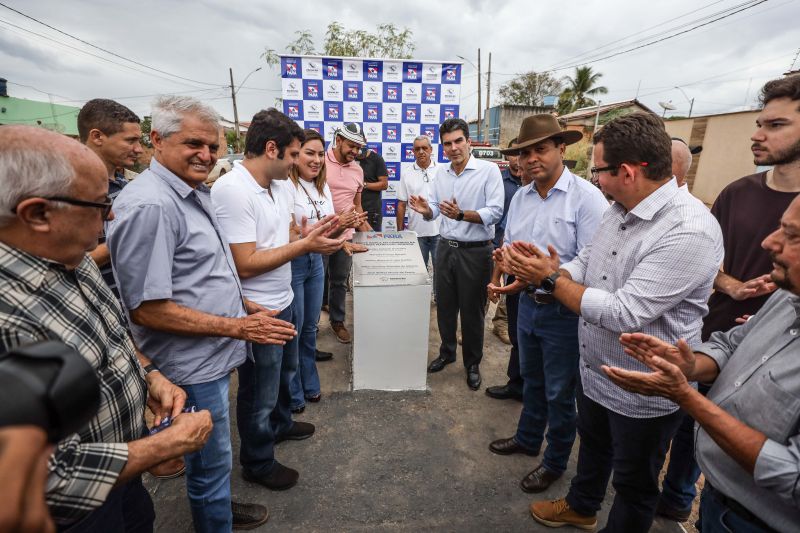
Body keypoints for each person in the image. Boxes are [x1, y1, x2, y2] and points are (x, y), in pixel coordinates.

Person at [502, 112, 723, 532]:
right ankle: (582, 507)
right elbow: (587, 261)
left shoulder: (688, 230)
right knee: (594, 454)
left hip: (644, 390)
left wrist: (547, 279)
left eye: (598, 170)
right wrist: (558, 270)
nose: (594, 178)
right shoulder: (620, 208)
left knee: (634, 484)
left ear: (626, 171)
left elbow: (625, 312)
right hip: (599, 372)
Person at [0, 125, 212, 531]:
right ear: (38, 213)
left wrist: (149, 376)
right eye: (98, 204)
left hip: (124, 485)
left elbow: (111, 338)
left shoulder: (73, 257)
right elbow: (43, 478)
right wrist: (164, 445)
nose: (111, 214)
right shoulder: (7, 314)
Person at [108, 96, 286, 532]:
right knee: (209, 463)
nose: (206, 155)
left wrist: (242, 304)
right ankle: (215, 516)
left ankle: (219, 509)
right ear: (157, 140)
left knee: (215, 456)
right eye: (194, 144)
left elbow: (198, 274)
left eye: (213, 145)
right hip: (189, 366)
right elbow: (147, 309)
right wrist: (239, 325)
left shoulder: (188, 191)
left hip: (210, 355)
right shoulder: (151, 204)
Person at [603, 194, 800, 533]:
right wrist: (690, 365)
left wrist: (687, 397)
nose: (770, 241)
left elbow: (792, 476)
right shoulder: (787, 296)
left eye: (792, 235)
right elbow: (732, 343)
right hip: (719, 501)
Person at [657, 75, 800, 522]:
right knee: (689, 437)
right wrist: (733, 287)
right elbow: (707, 264)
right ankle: (677, 507)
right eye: (758, 123)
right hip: (719, 343)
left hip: (780, 374)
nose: (757, 134)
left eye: (775, 125)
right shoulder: (737, 194)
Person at [211, 110, 345, 492]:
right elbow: (246, 264)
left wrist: (310, 231)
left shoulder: (281, 185)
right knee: (258, 391)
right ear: (271, 149)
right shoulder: (232, 191)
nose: (297, 163)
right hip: (258, 309)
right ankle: (258, 460)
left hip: (283, 298)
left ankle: (282, 424)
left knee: (285, 374)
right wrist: (305, 244)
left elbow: (285, 234)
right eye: (292, 155)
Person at [488, 115, 608, 494]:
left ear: (561, 149)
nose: (531, 158)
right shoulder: (521, 197)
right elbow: (512, 249)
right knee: (531, 379)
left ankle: (554, 461)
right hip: (527, 305)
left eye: (541, 149)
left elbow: (594, 261)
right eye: (525, 152)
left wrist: (553, 274)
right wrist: (507, 272)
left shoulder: (587, 198)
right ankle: (527, 438)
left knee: (560, 392)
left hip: (563, 311)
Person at [409, 118, 504, 390]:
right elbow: (438, 210)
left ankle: (472, 363)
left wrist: (462, 215)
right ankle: (447, 352)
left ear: (469, 141)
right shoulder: (442, 174)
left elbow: (495, 212)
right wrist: (427, 210)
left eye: (458, 141)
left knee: (473, 312)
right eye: (447, 143)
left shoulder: (488, 171)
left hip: (476, 252)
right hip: (445, 248)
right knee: (445, 307)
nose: (453, 148)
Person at [287, 129, 364, 413]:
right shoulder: (285, 186)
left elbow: (329, 228)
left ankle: (309, 378)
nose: (317, 159)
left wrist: (343, 237)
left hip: (315, 263)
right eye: (309, 153)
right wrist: (309, 237)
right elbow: (288, 234)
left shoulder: (322, 188)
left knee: (309, 327)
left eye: (320, 154)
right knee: (294, 330)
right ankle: (293, 388)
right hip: (294, 263)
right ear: (295, 155)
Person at [77, 98, 144, 301]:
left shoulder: (128, 182)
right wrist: (130, 236)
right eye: (130, 140)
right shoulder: (72, 190)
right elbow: (63, 265)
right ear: (97, 137)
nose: (139, 149)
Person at [324, 122, 372, 344]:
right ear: (339, 140)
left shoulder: (358, 169)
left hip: (346, 237)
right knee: (313, 282)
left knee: (340, 281)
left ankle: (337, 321)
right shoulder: (320, 161)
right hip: (320, 235)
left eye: (358, 148)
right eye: (351, 146)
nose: (355, 151)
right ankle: (310, 326)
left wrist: (369, 232)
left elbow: (357, 204)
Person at [396, 135, 441, 297]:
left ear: (431, 150)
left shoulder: (442, 170)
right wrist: (400, 232)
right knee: (418, 272)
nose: (421, 152)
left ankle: (438, 298)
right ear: (413, 152)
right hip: (416, 233)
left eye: (425, 148)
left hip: (439, 232)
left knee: (440, 270)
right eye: (417, 149)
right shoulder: (407, 173)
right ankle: (419, 300)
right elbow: (401, 204)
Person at [490, 138, 523, 346]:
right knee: (489, 285)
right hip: (494, 242)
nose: (518, 159)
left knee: (511, 286)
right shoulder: (499, 181)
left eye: (522, 154)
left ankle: (500, 323)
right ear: (507, 157)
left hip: (517, 247)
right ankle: (472, 328)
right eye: (514, 154)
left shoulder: (533, 183)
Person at [357, 144, 389, 230]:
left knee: (372, 241)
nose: (358, 150)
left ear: (365, 140)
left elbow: (384, 184)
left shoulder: (376, 159)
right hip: (353, 211)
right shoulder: (350, 158)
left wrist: (363, 185)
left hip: (372, 212)